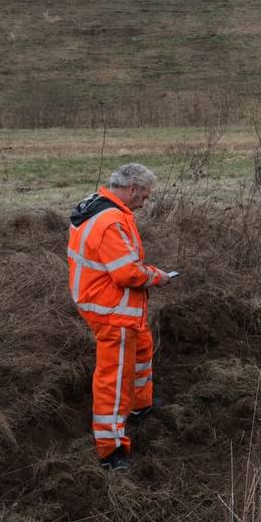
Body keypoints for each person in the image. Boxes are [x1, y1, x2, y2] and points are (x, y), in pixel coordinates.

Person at [67, 163, 171, 471]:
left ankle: (140, 407)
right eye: (145, 197)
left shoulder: (97, 206)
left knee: (141, 353)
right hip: (113, 311)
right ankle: (110, 450)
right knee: (114, 379)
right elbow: (127, 273)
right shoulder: (111, 221)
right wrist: (156, 277)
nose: (144, 203)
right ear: (133, 189)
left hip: (116, 306)